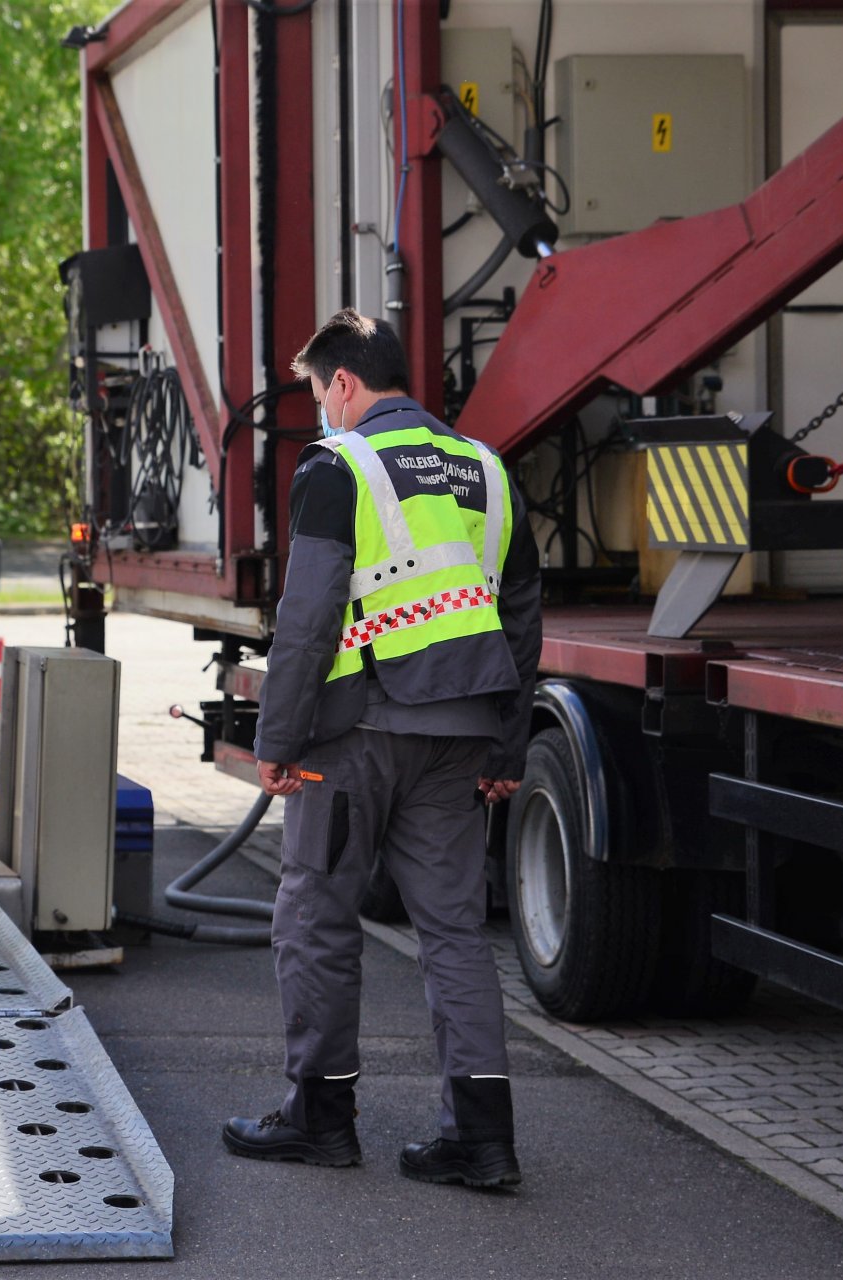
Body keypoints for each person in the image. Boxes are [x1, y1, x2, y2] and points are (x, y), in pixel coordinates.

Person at [222, 309, 541, 1189]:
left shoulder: (340, 466)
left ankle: (319, 1119)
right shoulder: (487, 469)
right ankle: (481, 1140)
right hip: (462, 736)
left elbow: (309, 617)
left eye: (321, 392)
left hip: (353, 739)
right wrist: (506, 749)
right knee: (454, 934)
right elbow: (519, 620)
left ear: (346, 384)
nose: (323, 409)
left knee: (317, 918)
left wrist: (276, 739)